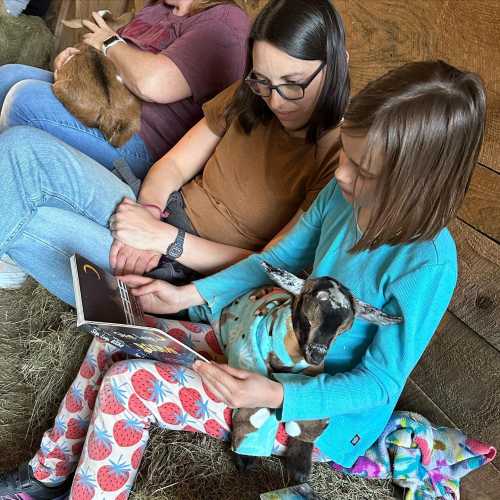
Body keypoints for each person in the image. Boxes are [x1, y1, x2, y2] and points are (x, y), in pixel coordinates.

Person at [0, 60, 486, 499]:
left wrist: (276, 396)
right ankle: (46, 474)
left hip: (314, 410)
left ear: (413, 182)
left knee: (132, 386)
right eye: (347, 155)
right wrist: (183, 295)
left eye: (362, 170)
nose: (341, 172)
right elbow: (271, 262)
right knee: (118, 337)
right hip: (265, 344)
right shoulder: (342, 198)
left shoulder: (427, 264)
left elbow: (379, 382)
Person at [0, 0, 349, 295]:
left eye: (292, 85)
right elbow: (174, 167)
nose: (275, 101)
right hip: (159, 214)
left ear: (338, 61)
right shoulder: (246, 97)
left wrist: (167, 241)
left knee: (30, 216)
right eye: (263, 81)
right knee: (20, 147)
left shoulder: (343, 159)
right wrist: (148, 214)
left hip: (191, 274)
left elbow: (277, 266)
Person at [0, 0, 250, 176]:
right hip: (98, 97)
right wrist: (69, 62)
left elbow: (151, 84)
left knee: (23, 100)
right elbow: (109, 54)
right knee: (8, 76)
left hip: (135, 137)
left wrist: (109, 40)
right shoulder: (158, 8)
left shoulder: (226, 21)